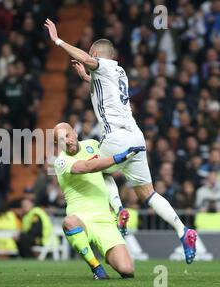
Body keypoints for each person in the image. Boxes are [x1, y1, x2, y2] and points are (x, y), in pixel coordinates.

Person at [44, 19, 198, 264]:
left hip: (115, 136)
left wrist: (58, 40)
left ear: (97, 55)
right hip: (135, 135)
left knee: (96, 170)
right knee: (148, 194)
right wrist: (86, 78)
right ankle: (183, 230)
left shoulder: (102, 64)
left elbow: (86, 58)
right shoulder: (119, 72)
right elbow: (105, 90)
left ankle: (119, 211)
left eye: (92, 55)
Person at [53, 122, 144, 279]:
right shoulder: (60, 162)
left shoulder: (94, 145)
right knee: (69, 222)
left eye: (67, 136)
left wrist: (118, 207)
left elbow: (107, 177)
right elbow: (88, 167)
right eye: (61, 140)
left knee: (127, 270)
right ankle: (96, 268)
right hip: (81, 218)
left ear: (75, 133)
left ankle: (109, 252)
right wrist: (116, 158)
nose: (67, 141)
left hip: (104, 219)